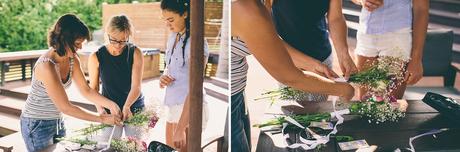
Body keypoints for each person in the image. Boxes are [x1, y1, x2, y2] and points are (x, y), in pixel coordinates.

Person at [231, 0, 356, 151]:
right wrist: (343, 90)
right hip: (231, 98)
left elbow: (267, 38)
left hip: (237, 93)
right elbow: (290, 76)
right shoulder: (245, 9)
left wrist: (312, 64)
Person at [20, 14, 122, 152]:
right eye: (77, 44)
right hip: (36, 124)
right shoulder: (47, 66)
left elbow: (86, 90)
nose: (80, 48)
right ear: (64, 40)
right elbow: (66, 107)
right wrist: (102, 119)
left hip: (57, 121)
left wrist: (111, 104)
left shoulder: (72, 59)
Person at [265, 0, 358, 102]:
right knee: (293, 113)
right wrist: (311, 64)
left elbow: (336, 18)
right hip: (289, 61)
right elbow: (267, 36)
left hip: (323, 58)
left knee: (319, 109)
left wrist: (343, 54)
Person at [351, 0, 429, 99]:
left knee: (391, 105)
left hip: (397, 37)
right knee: (365, 103)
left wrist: (416, 59)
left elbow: (421, 9)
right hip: (366, 35)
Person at [159, 0, 209, 151]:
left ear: (185, 14)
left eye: (171, 20)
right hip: (172, 106)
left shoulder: (197, 42)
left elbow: (195, 89)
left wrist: (180, 128)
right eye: (165, 20)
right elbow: (172, 68)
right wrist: (164, 77)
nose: (167, 24)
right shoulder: (172, 38)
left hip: (188, 110)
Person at [88, 14, 146, 141]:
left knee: (135, 147)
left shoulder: (136, 53)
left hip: (134, 107)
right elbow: (93, 89)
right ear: (107, 34)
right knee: (110, 146)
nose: (118, 45)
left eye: (123, 40)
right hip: (110, 111)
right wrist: (101, 110)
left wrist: (127, 106)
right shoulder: (96, 56)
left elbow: (136, 86)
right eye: (113, 40)